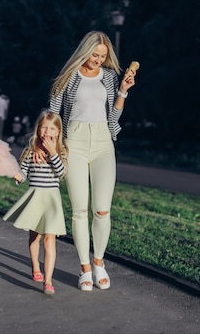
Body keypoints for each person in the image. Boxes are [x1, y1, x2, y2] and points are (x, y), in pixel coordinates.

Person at [47, 30, 137, 291]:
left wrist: (123, 91)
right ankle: (85, 267)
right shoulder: (68, 77)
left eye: (102, 56)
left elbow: (113, 120)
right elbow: (53, 114)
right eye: (94, 54)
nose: (98, 60)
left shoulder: (109, 78)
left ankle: (99, 262)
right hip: (73, 142)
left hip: (102, 143)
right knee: (79, 210)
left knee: (102, 210)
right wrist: (49, 145)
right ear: (85, 51)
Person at [0, 110, 68, 295]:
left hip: (52, 200)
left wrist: (53, 152)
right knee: (35, 236)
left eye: (52, 129)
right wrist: (16, 176)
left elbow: (61, 173)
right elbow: (22, 173)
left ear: (58, 132)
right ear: (38, 129)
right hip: (35, 198)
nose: (47, 132)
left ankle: (48, 281)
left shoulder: (62, 151)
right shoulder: (30, 151)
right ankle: (35, 268)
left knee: (50, 239)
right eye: (44, 127)